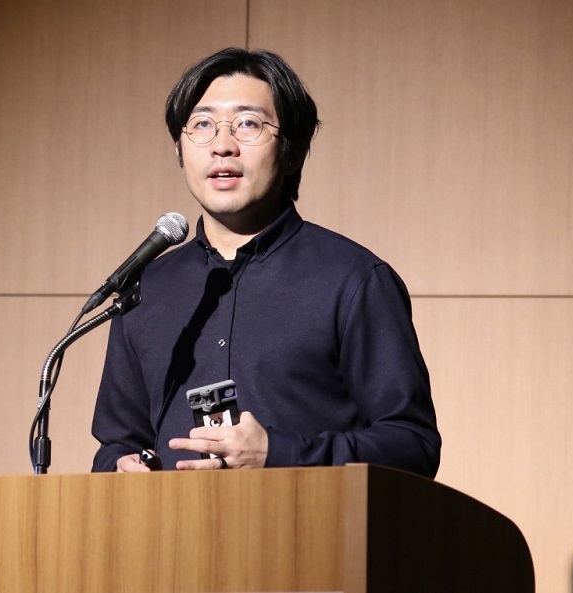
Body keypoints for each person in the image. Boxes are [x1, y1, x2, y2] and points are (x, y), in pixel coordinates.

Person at [90, 48, 441, 478]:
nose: (222, 145)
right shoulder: (147, 289)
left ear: (294, 151)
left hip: (308, 539)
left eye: (248, 124)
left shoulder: (353, 280)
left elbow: (413, 444)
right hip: (172, 540)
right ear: (180, 148)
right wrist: (121, 465)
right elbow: (118, 442)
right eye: (202, 124)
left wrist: (281, 452)